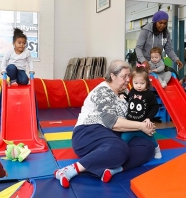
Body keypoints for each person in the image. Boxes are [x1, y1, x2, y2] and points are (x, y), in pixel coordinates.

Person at [54, 60, 156, 188]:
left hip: (113, 136)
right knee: (120, 148)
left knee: (147, 146)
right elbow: (112, 122)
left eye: (129, 76)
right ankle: (70, 170)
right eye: (124, 76)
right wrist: (141, 126)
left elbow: (133, 116)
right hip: (87, 133)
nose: (127, 80)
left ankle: (113, 169)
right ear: (113, 76)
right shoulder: (103, 90)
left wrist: (147, 123)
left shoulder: (124, 93)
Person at [120, 66, 161, 159]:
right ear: (132, 82)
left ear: (147, 82)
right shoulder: (132, 91)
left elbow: (155, 107)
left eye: (142, 83)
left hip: (143, 123)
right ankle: (122, 153)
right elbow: (130, 100)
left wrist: (149, 118)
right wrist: (124, 97)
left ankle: (157, 149)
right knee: (123, 139)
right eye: (136, 83)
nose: (139, 86)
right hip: (130, 124)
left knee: (151, 138)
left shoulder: (149, 94)